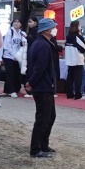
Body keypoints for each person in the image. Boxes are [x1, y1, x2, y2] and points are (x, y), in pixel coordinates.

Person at [26, 18, 60, 158]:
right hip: (42, 86)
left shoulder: (40, 43)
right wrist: (31, 82)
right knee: (43, 118)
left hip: (43, 86)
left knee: (50, 116)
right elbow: (39, 67)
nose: (55, 29)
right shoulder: (43, 45)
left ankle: (43, 144)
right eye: (53, 27)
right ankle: (36, 148)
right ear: (47, 30)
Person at [0, 15, 28, 98]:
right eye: (15, 22)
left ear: (21, 24)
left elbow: (24, 44)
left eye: (18, 22)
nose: (16, 23)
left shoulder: (22, 33)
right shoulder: (10, 32)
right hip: (9, 56)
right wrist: (13, 54)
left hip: (17, 57)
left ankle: (14, 89)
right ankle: (10, 91)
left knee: (16, 73)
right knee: (10, 74)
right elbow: (6, 45)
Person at [64, 20, 85, 100]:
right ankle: (78, 95)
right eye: (79, 25)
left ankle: (69, 94)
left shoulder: (68, 37)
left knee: (70, 77)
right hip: (77, 59)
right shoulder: (78, 37)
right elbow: (83, 48)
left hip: (69, 59)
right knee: (78, 78)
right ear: (77, 27)